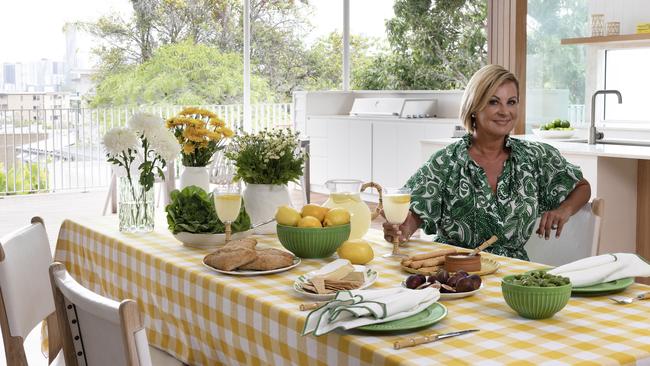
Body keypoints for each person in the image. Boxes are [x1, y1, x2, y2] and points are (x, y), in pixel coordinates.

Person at [384, 64, 591, 260]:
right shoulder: (447, 161)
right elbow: (414, 215)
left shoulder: (535, 157)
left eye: (511, 102)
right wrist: (401, 229)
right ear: (474, 107)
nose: (504, 111)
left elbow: (582, 186)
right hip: (455, 273)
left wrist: (564, 210)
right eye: (494, 102)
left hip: (514, 275)